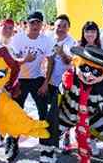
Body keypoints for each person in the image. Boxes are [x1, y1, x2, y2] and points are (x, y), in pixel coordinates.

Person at [5, 11, 54, 162]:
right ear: (27, 23)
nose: (35, 25)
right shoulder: (18, 38)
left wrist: (45, 83)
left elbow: (51, 61)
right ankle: (13, 142)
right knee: (16, 113)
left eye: (38, 22)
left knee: (43, 112)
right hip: (20, 79)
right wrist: (24, 59)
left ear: (42, 24)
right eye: (32, 22)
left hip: (37, 79)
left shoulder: (46, 40)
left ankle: (46, 146)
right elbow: (11, 60)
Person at [40, 14, 76, 163]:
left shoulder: (70, 42)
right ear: (54, 25)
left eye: (64, 26)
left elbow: (70, 61)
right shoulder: (48, 37)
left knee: (61, 112)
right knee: (50, 112)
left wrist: (62, 54)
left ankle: (64, 138)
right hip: (47, 81)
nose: (60, 28)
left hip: (64, 84)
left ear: (68, 28)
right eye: (58, 25)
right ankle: (49, 139)